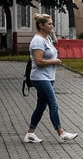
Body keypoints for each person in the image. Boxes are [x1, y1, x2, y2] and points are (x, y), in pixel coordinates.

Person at [24, 14, 79, 143]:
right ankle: (61, 133)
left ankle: (30, 134)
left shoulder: (47, 38)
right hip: (40, 78)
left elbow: (53, 46)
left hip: (48, 77)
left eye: (52, 24)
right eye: (49, 24)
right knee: (53, 104)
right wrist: (54, 61)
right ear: (41, 25)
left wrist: (52, 35)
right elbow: (38, 61)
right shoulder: (37, 40)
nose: (52, 26)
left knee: (41, 106)